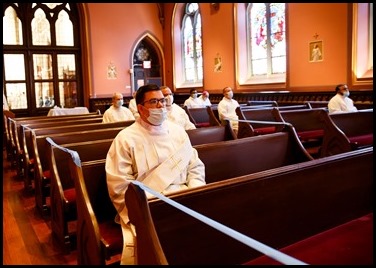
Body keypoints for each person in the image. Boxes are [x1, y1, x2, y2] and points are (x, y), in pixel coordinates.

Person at [105, 84, 206, 265]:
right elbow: (119, 184)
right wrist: (148, 207)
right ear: (141, 108)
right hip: (150, 207)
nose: (161, 105)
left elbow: (195, 166)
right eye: (154, 102)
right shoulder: (125, 139)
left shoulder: (178, 132)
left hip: (186, 197)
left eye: (162, 100)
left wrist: (195, 193)